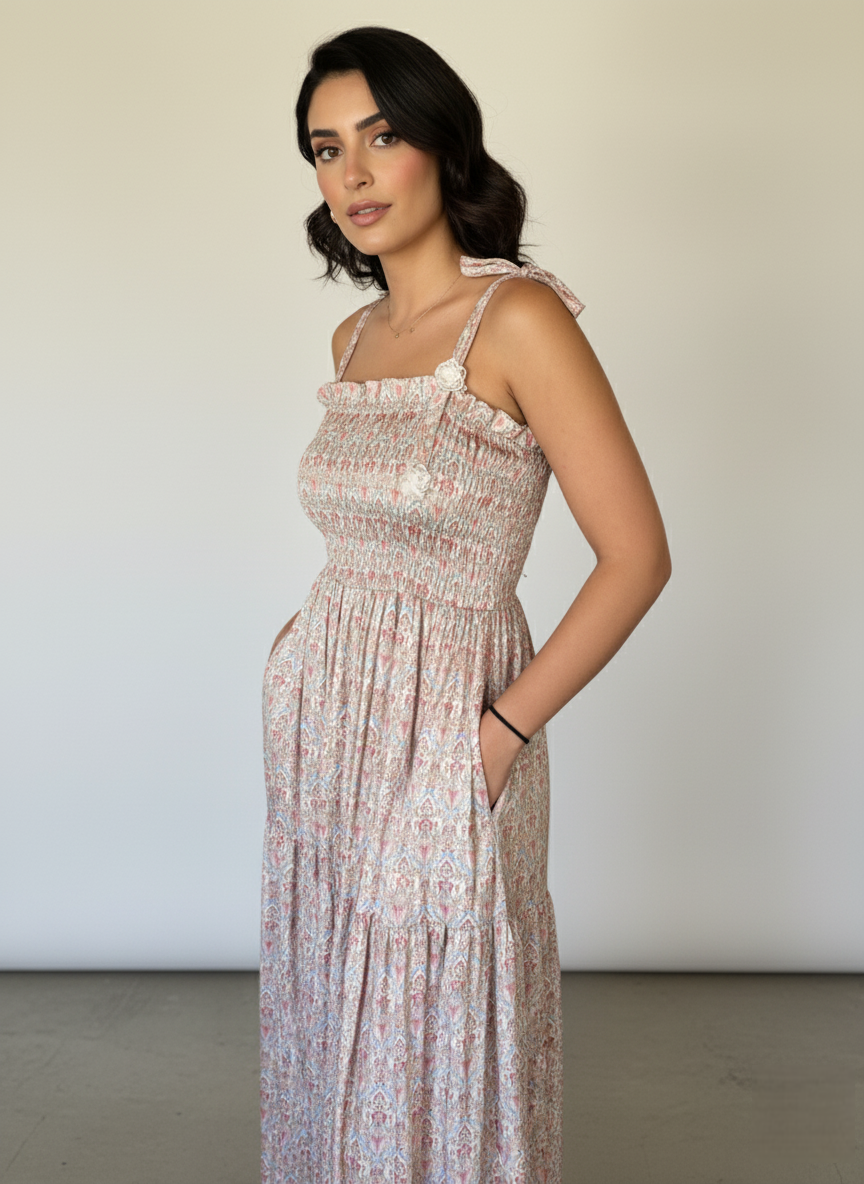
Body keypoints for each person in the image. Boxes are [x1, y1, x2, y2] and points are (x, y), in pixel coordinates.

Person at [260, 25, 671, 1183]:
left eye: (380, 137)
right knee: (337, 996)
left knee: (437, 1009)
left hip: (449, 722)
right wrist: (296, 658)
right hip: (329, 722)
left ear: (442, 145)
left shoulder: (520, 320)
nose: (351, 173)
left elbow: (636, 556)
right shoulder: (354, 335)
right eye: (325, 148)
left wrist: (495, 736)